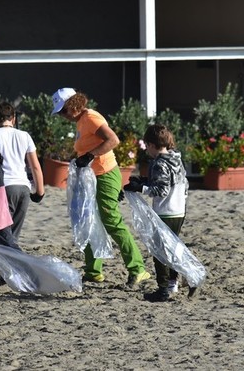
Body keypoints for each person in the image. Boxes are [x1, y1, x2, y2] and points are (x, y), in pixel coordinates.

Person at [52, 87, 150, 287]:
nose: (62, 116)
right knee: (88, 220)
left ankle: (138, 269)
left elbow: (113, 140)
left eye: (63, 111)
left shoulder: (91, 118)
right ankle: (93, 271)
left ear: (73, 105)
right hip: (92, 177)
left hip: (105, 174)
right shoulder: (81, 121)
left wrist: (89, 156)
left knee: (111, 221)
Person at [124, 124, 189, 302]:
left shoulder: (159, 163)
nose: (147, 150)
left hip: (165, 213)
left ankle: (163, 289)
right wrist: (144, 180)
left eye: (146, 146)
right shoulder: (176, 159)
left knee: (160, 251)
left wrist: (141, 187)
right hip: (179, 211)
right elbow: (174, 182)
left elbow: (161, 190)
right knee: (173, 248)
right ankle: (173, 282)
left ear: (152, 145)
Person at [0, 102, 45, 241]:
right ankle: (13, 261)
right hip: (23, 187)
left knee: (2, 236)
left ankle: (8, 262)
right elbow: (35, 166)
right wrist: (40, 192)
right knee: (13, 236)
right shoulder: (24, 135)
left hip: (3, 187)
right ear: (13, 118)